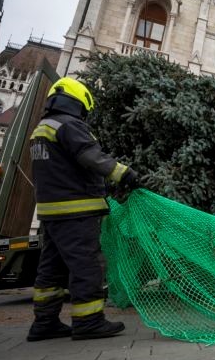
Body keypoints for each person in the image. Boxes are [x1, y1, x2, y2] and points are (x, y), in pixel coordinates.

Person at [27, 77, 139, 341]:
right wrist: (124, 174)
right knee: (86, 265)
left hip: (51, 212)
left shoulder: (42, 129)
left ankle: (44, 323)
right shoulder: (68, 125)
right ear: (78, 102)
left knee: (51, 268)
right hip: (76, 211)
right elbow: (91, 156)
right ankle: (89, 321)